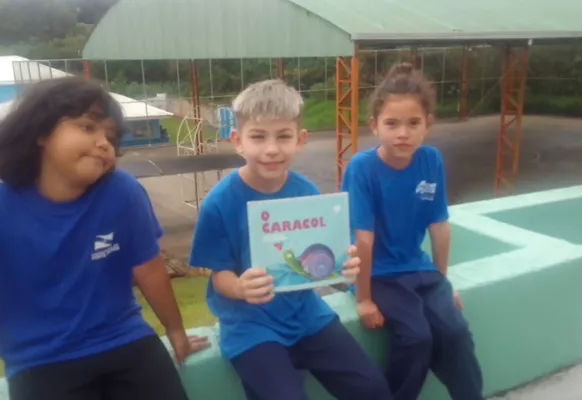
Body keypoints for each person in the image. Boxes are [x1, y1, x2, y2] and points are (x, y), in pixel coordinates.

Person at [0, 76, 208, 400]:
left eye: (110, 135)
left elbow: (149, 270)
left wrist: (176, 332)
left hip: (125, 340)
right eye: (88, 127)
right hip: (41, 360)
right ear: (41, 132)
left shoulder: (123, 194)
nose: (104, 142)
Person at [188, 79, 392, 400]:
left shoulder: (306, 192)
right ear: (238, 141)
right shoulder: (220, 202)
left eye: (284, 136)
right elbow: (219, 275)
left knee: (373, 389)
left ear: (300, 139)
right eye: (258, 137)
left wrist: (342, 262)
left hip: (308, 315)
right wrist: (241, 287)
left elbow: (312, 261)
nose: (272, 148)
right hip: (250, 327)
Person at [341, 63, 485, 400]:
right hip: (378, 273)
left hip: (419, 269)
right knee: (417, 337)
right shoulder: (362, 168)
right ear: (374, 125)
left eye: (413, 123)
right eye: (391, 124)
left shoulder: (430, 160)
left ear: (428, 125)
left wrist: (443, 283)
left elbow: (439, 224)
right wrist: (362, 299)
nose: (402, 133)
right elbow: (363, 238)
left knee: (455, 332)